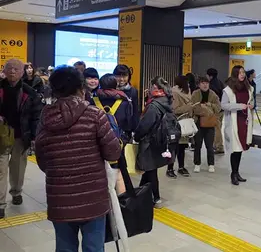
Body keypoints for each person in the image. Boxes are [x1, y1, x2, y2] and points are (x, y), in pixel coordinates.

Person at [34, 65, 121, 251]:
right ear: (81, 89)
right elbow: (113, 153)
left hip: (60, 199)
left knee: (65, 247)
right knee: (94, 247)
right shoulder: (95, 115)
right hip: (93, 199)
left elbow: (42, 161)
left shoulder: (45, 118)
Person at [0, 59, 42, 219]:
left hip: (20, 136)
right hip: (1, 136)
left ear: (22, 72)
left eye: (16, 69)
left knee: (18, 168)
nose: (12, 71)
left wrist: (33, 136)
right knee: (1, 169)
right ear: (4, 70)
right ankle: (1, 204)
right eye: (9, 68)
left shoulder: (29, 93)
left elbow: (36, 117)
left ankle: (16, 192)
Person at [134, 76, 173, 208]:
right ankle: (140, 195)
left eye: (151, 86)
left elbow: (145, 125)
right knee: (150, 169)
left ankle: (156, 198)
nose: (150, 89)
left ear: (156, 88)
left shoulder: (154, 105)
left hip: (150, 141)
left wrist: (137, 136)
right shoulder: (166, 101)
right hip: (160, 140)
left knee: (150, 170)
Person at [221, 66, 254, 186]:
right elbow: (223, 105)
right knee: (235, 149)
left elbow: (251, 101)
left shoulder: (249, 88)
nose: (242, 74)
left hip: (244, 122)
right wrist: (239, 106)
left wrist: (251, 105)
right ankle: (233, 174)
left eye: (243, 72)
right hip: (234, 122)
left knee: (240, 149)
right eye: (240, 72)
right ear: (235, 74)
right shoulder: (228, 90)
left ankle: (237, 172)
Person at [191, 76, 221, 173]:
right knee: (197, 145)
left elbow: (218, 107)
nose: (205, 85)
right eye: (203, 83)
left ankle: (211, 164)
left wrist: (210, 105)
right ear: (199, 84)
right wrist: (205, 111)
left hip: (210, 123)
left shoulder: (213, 94)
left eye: (207, 83)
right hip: (198, 122)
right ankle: (197, 164)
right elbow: (193, 107)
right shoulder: (195, 94)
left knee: (209, 145)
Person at [167, 75, 193, 178]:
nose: (188, 84)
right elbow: (174, 109)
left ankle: (181, 167)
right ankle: (170, 168)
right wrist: (188, 107)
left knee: (182, 147)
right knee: (174, 147)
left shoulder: (188, 91)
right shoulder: (174, 92)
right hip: (176, 122)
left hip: (185, 122)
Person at [113, 64, 140, 131]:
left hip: (127, 127)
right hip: (112, 125)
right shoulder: (110, 90)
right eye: (118, 76)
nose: (121, 79)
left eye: (124, 76)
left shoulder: (133, 91)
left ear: (129, 77)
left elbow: (135, 111)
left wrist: (135, 129)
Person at [206, 68, 225, 155]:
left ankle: (219, 147)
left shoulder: (211, 85)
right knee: (218, 128)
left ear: (210, 76)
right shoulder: (220, 83)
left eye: (207, 75)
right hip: (221, 109)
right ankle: (215, 145)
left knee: (216, 129)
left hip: (215, 110)